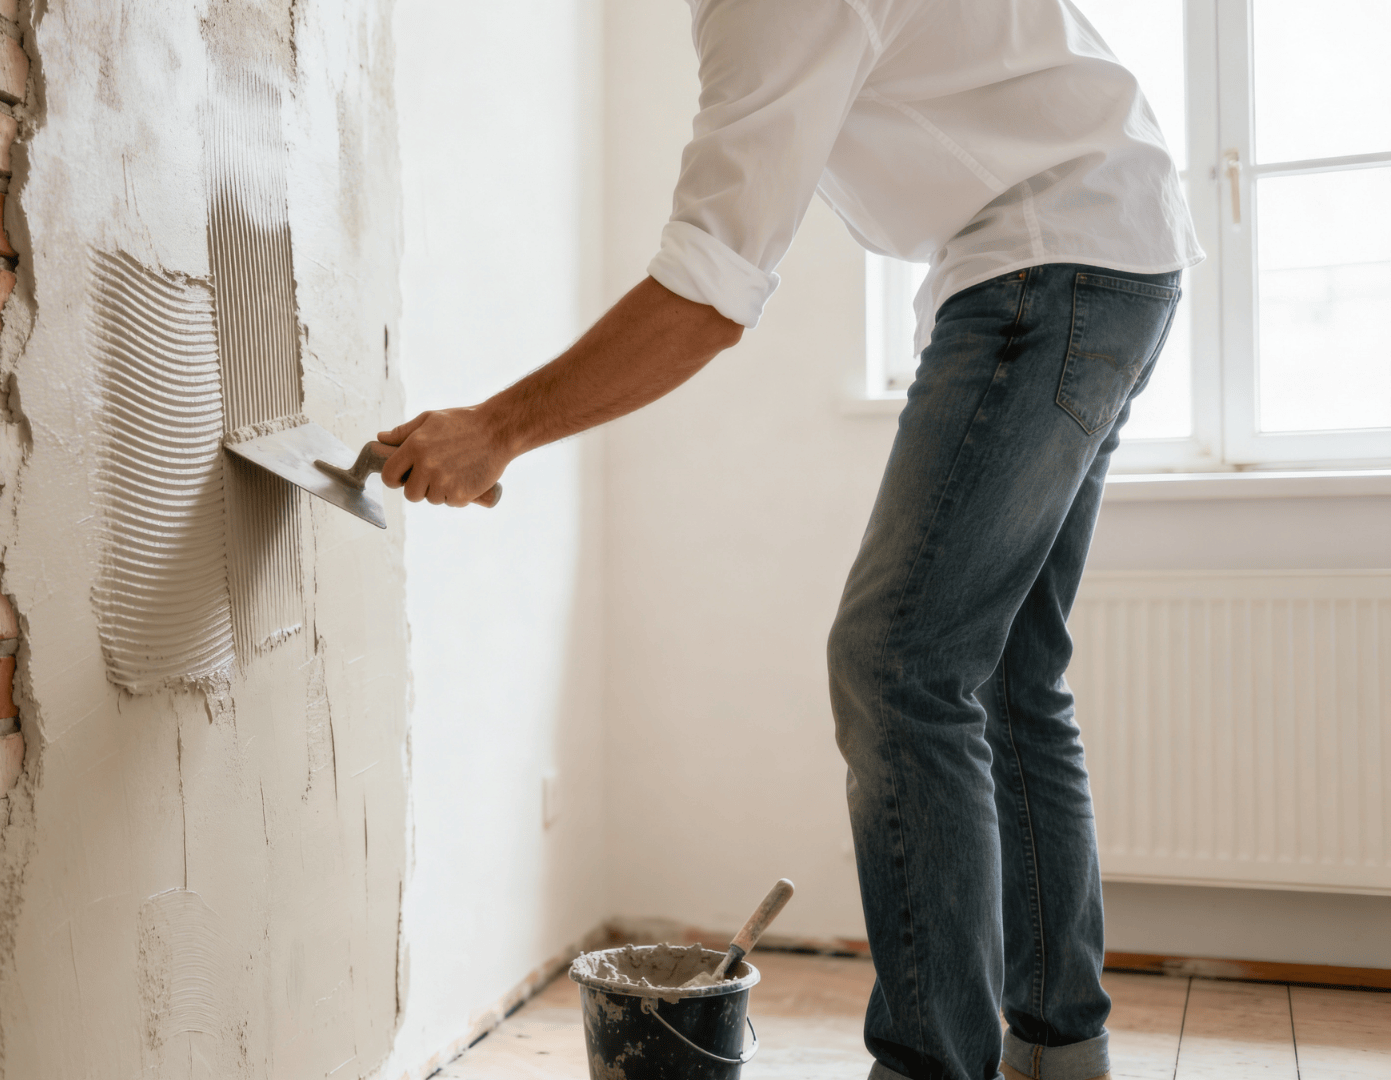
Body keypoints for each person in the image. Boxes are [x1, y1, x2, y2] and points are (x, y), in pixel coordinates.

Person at [375, 2, 1201, 1079]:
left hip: (1051, 261)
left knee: (898, 662)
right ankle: (1061, 1050)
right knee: (1003, 676)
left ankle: (932, 1065)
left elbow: (709, 290)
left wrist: (497, 429)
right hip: (1112, 245)